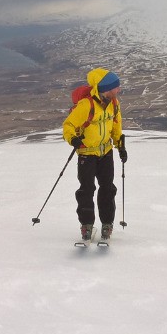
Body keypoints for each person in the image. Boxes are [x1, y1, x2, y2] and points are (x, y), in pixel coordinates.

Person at [62, 68, 127, 242]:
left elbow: (116, 127)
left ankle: (107, 223)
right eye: (116, 87)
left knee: (107, 189)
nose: (118, 89)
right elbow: (68, 125)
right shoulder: (87, 105)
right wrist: (73, 139)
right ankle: (87, 225)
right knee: (86, 190)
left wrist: (120, 146)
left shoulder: (114, 103)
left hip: (106, 154)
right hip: (87, 155)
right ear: (106, 88)